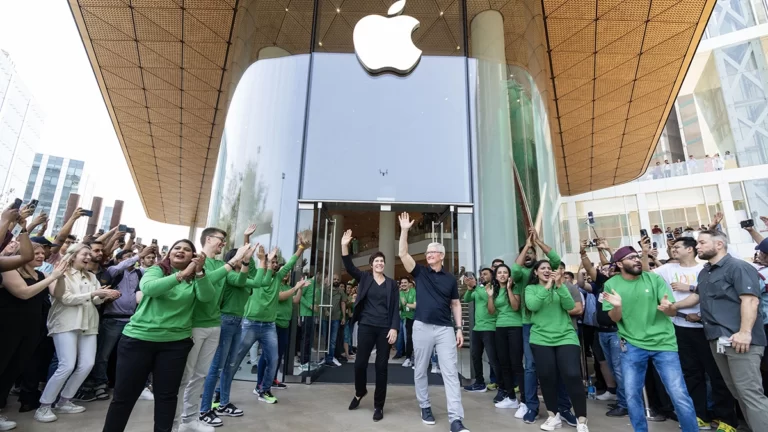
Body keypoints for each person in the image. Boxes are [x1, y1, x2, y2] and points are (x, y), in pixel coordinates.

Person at [101, 240, 218, 432]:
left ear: (193, 257)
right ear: (169, 253)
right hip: (138, 340)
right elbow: (149, 289)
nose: (181, 251)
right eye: (177, 248)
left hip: (175, 344)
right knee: (124, 397)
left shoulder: (197, 277)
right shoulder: (157, 270)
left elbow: (206, 297)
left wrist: (198, 272)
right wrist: (181, 275)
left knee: (166, 398)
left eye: (187, 250)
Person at [673, 230, 768, 430]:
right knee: (737, 392)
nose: (697, 247)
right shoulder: (705, 272)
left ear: (719, 245)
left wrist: (745, 332)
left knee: (750, 393)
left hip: (741, 340)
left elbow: (750, 300)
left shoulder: (738, 267)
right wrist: (673, 307)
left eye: (701, 243)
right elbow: (698, 297)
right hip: (718, 340)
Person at [601, 246, 697, 432]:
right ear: (620, 264)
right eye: (631, 258)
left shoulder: (653, 278)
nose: (637, 260)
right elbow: (614, 318)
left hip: (664, 343)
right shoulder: (611, 284)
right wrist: (618, 306)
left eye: (637, 256)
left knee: (678, 393)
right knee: (632, 395)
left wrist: (668, 307)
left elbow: (670, 310)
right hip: (632, 344)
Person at [647, 236, 737, 430]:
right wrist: (645, 254)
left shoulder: (704, 270)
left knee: (717, 375)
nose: (673, 250)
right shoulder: (668, 269)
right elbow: (647, 274)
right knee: (691, 374)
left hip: (707, 329)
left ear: (690, 249)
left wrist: (697, 309)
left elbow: (710, 294)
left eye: (677, 247)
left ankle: (727, 420)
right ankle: (700, 416)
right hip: (680, 328)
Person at [398, 213, 469, 432]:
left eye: (433, 252)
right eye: (427, 252)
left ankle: (456, 419)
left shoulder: (450, 279)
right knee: (420, 369)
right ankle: (425, 406)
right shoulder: (419, 273)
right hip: (421, 327)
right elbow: (402, 253)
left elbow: (455, 304)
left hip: (445, 329)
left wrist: (459, 328)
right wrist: (404, 230)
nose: (429, 254)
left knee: (450, 372)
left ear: (441, 256)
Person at [177, 229, 252, 431]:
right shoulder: (196, 260)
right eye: (220, 240)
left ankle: (190, 419)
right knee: (186, 375)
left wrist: (244, 262)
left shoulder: (221, 265)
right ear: (208, 239)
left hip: (214, 324)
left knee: (200, 374)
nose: (222, 244)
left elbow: (240, 281)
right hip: (194, 325)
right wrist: (233, 260)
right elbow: (206, 281)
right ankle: (177, 422)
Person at [34, 243, 119, 423]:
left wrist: (103, 295)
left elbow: (95, 301)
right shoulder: (60, 273)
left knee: (87, 364)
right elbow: (65, 299)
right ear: (73, 256)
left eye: (90, 254)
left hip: (89, 324)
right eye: (85, 254)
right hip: (66, 322)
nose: (88, 257)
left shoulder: (91, 276)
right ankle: (44, 406)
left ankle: (65, 401)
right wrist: (93, 294)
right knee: (66, 365)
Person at [229, 232, 308, 406]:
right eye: (271, 261)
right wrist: (247, 239)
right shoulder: (253, 275)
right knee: (236, 358)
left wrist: (301, 248)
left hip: (269, 326)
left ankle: (264, 390)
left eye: (275, 262)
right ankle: (221, 394)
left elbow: (291, 263)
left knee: (273, 359)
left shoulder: (278, 277)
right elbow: (246, 258)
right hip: (250, 323)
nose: (274, 264)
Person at [77, 245, 158, 402]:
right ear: (120, 260)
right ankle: (100, 384)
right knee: (103, 355)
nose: (131, 261)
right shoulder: (113, 271)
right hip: (112, 319)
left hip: (132, 320)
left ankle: (136, 385)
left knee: (133, 356)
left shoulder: (140, 273)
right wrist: (139, 254)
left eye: (132, 258)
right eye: (127, 258)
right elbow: (119, 266)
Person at [0, 239, 66, 431]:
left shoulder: (42, 274)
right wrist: (52, 277)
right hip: (7, 327)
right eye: (35, 253)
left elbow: (59, 295)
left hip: (31, 329)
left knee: (13, 370)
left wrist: (59, 277)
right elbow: (24, 293)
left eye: (41, 254)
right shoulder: (9, 270)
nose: (40, 256)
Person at [514, 229, 576, 426]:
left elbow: (555, 259)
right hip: (531, 327)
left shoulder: (550, 272)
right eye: (527, 253)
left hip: (557, 329)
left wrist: (538, 242)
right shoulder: (524, 275)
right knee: (531, 368)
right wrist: (527, 245)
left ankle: (563, 408)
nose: (530, 254)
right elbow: (515, 268)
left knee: (560, 369)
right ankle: (532, 407)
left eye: (533, 253)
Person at [524, 261, 589, 431]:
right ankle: (553, 416)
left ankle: (581, 419)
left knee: (572, 375)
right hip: (541, 338)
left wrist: (559, 286)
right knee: (547, 377)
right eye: (542, 268)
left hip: (565, 336)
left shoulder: (561, 287)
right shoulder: (530, 289)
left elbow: (569, 306)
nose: (546, 270)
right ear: (536, 272)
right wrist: (547, 287)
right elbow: (533, 306)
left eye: (549, 268)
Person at [342, 229, 399, 422]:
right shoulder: (365, 278)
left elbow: (395, 310)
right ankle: (360, 392)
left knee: (381, 367)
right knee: (359, 364)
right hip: (366, 325)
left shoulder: (392, 284)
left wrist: (394, 328)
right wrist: (344, 245)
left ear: (384, 264)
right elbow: (349, 267)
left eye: (382, 261)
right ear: (371, 265)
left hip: (384, 328)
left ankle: (378, 406)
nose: (379, 263)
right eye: (376, 261)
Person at [488, 264, 525, 411]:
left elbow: (515, 307)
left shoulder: (514, 287)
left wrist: (509, 288)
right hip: (500, 327)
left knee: (516, 364)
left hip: (515, 327)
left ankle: (524, 400)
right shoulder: (495, 291)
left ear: (509, 275)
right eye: (499, 273)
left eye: (505, 272)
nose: (502, 275)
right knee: (504, 363)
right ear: (496, 276)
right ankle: (511, 398)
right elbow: (491, 311)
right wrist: (490, 296)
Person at [461, 271, 501, 394]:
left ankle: (503, 386)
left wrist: (474, 286)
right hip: (478, 328)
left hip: (490, 328)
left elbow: (487, 297)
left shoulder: (495, 288)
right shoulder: (479, 289)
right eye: (481, 274)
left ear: (492, 276)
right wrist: (469, 288)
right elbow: (467, 299)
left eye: (485, 274)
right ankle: (479, 383)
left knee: (493, 359)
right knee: (475, 356)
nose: (482, 276)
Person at [400, 276, 416, 368]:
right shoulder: (400, 293)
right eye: (402, 283)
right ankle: (408, 358)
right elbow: (399, 306)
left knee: (415, 339)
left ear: (409, 284)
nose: (403, 284)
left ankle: (415, 358)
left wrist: (406, 304)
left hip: (415, 318)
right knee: (408, 339)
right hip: (405, 318)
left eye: (405, 282)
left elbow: (415, 306)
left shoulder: (413, 291)